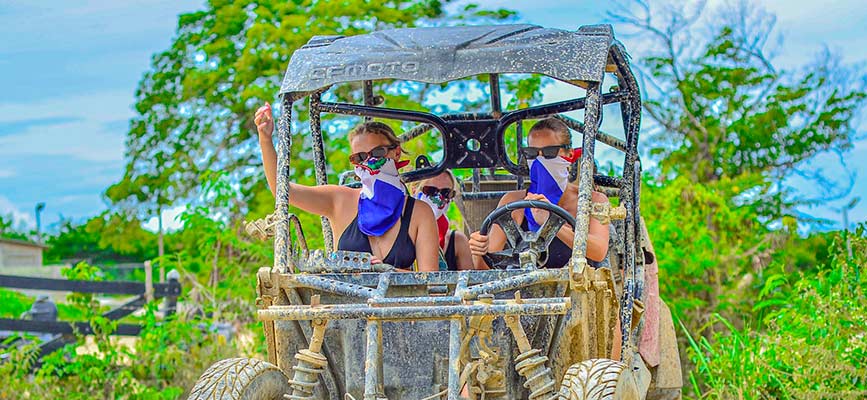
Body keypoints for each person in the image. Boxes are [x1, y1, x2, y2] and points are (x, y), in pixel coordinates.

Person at [254, 102, 439, 271]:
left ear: (396, 152)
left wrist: (385, 270)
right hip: (344, 304)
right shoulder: (339, 200)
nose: (369, 161)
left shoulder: (419, 212)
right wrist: (265, 139)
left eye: (377, 152)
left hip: (399, 306)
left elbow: (429, 280)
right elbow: (285, 192)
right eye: (359, 158)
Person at [467, 118, 609, 270]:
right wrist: (478, 251)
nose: (540, 160)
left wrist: (551, 223)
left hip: (578, 288)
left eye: (549, 153)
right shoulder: (514, 202)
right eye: (532, 153)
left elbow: (598, 251)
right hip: (525, 290)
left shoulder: (592, 200)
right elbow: (487, 268)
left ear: (569, 153)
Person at [411, 171, 474, 271]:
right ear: (414, 191)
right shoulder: (399, 234)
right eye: (430, 191)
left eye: (446, 193)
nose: (439, 197)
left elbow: (473, 283)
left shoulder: (458, 241)